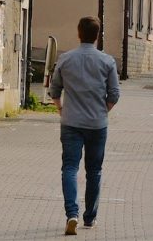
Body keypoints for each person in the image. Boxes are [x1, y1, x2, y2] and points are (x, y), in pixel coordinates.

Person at [49, 17, 120, 235]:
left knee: (70, 167)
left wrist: (61, 109)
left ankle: (72, 213)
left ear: (78, 33)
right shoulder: (107, 61)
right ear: (97, 35)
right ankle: (90, 218)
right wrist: (102, 111)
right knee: (94, 171)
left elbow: (54, 89)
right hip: (97, 124)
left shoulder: (66, 59)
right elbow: (114, 94)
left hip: (71, 122)